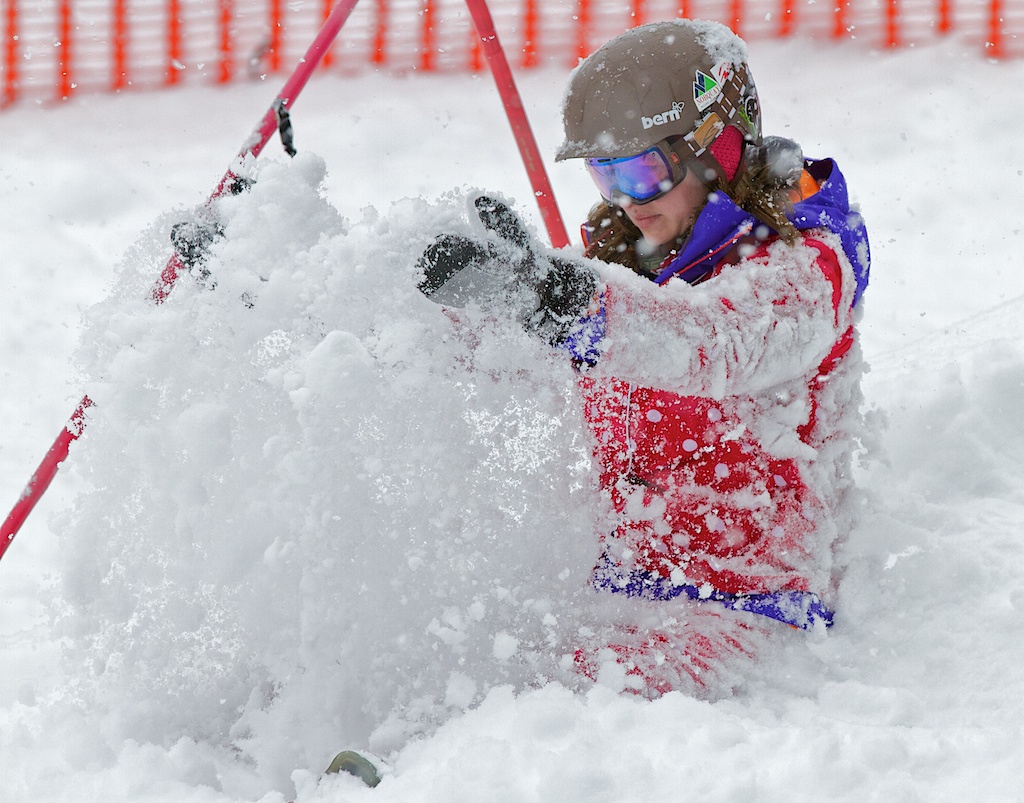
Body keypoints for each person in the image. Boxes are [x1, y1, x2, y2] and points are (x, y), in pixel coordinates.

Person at [418, 18, 869, 699]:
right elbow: (508, 354)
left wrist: (569, 306)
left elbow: (712, 344)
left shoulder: (807, 267)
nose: (627, 201)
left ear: (716, 146)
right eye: (605, 175)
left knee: (562, 708)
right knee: (467, 669)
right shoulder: (629, 267)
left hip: (752, 610)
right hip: (622, 590)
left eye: (640, 170)